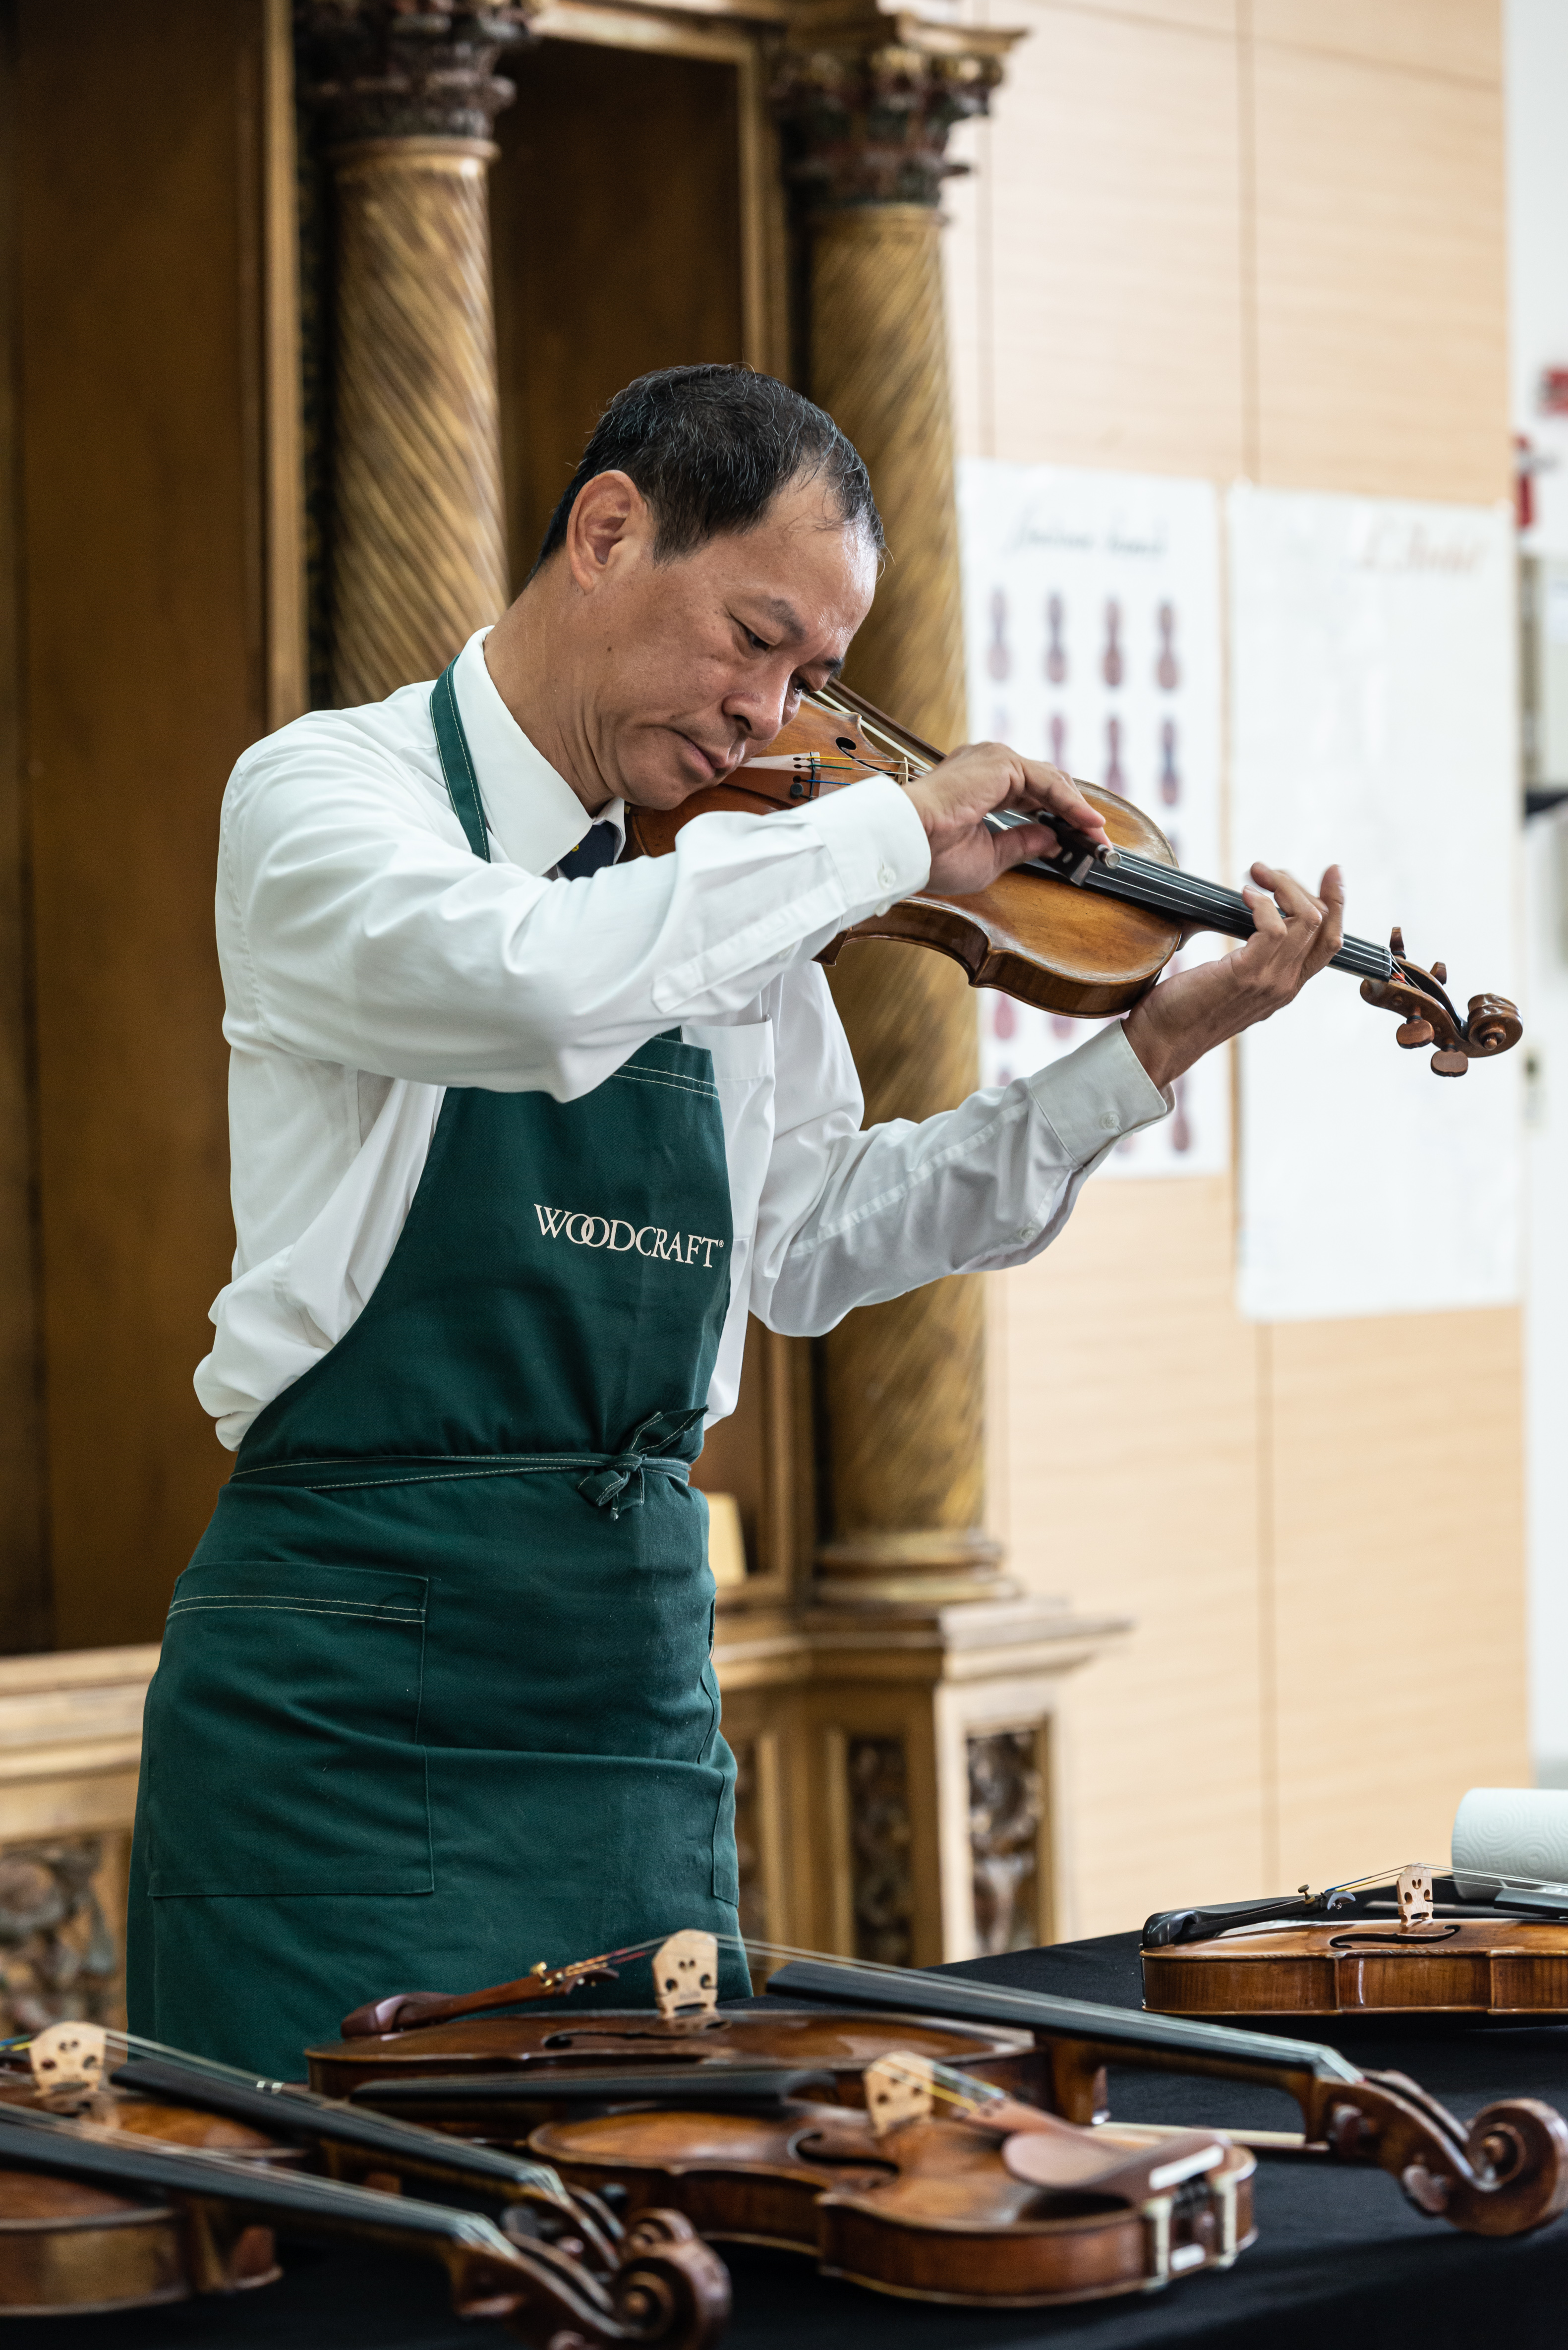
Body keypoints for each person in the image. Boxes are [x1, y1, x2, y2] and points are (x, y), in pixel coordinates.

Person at [127, 366, 1343, 2074]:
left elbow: (812, 1237)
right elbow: (533, 986)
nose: (772, 716)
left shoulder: (724, 886)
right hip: (340, 1681)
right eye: (754, 640)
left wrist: (1142, 1051)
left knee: (653, 2246)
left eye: (814, 680)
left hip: (629, 1679)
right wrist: (879, 835)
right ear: (609, 531)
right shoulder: (327, 799)